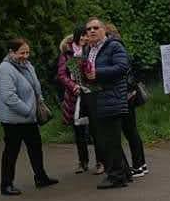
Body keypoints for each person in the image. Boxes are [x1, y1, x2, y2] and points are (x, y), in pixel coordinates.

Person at [0, 37, 59, 196]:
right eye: (21, 53)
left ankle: (41, 177)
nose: (25, 56)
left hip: (29, 118)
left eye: (27, 52)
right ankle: (6, 184)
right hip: (13, 120)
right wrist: (28, 110)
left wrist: (40, 102)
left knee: (35, 147)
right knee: (11, 151)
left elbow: (36, 87)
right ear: (11, 52)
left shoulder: (27, 65)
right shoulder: (5, 69)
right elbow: (9, 97)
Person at [81, 17, 131, 189]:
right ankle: (123, 173)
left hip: (112, 98)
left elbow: (122, 67)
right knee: (105, 139)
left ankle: (116, 176)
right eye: (89, 29)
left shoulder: (114, 46)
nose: (92, 31)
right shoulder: (88, 49)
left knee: (110, 140)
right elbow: (89, 72)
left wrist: (98, 73)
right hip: (97, 97)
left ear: (104, 30)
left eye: (96, 28)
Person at [104, 23, 148, 177]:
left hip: (124, 94)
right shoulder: (121, 47)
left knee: (129, 130)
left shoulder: (114, 49)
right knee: (132, 131)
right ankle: (141, 163)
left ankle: (137, 165)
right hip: (129, 93)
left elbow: (122, 72)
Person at [57, 28, 90, 173]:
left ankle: (101, 161)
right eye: (82, 35)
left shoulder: (91, 50)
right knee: (78, 130)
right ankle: (83, 161)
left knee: (95, 128)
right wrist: (73, 86)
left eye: (86, 35)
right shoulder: (67, 54)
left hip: (90, 92)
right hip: (74, 95)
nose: (84, 38)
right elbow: (62, 74)